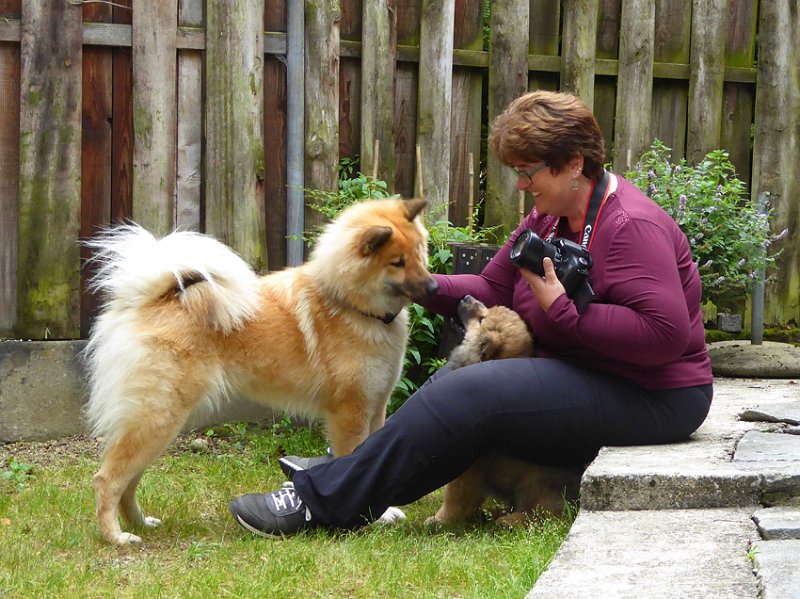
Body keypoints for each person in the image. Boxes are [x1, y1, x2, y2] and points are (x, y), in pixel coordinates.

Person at [228, 90, 713, 536]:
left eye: (529, 172)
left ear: (573, 165)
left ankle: (320, 502)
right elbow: (491, 285)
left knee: (475, 393)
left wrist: (562, 309)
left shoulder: (631, 225)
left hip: (653, 396)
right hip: (584, 371)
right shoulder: (549, 215)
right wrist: (421, 285)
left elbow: (664, 334)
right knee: (454, 380)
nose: (522, 185)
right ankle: (347, 472)